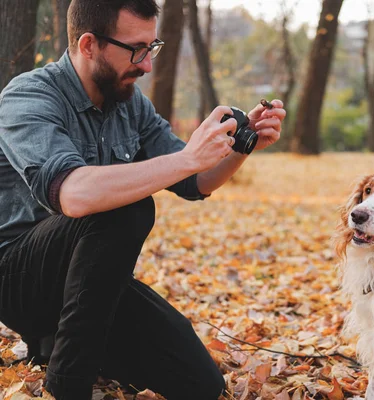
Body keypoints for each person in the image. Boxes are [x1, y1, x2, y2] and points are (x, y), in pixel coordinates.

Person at [0, 0, 286, 399]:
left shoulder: (130, 103)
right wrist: (186, 157)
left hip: (91, 282)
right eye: (136, 49)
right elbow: (75, 194)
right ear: (88, 45)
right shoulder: (28, 97)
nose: (146, 65)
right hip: (17, 279)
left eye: (151, 48)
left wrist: (239, 144)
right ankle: (67, 384)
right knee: (126, 205)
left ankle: (59, 344)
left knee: (199, 383)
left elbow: (195, 182)